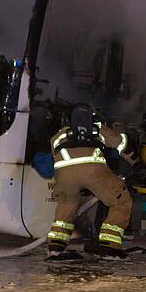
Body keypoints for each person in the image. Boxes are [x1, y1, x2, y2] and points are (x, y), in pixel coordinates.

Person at [46, 103, 132, 260]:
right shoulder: (98, 129)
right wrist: (114, 130)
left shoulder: (61, 134)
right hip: (93, 174)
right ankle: (109, 247)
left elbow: (53, 148)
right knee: (121, 201)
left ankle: (55, 246)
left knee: (66, 206)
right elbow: (120, 145)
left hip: (64, 176)